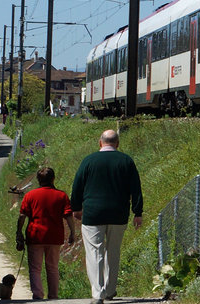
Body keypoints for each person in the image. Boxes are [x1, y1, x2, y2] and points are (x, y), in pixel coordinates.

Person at [71, 130, 143, 304]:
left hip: (93, 213)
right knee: (113, 251)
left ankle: (98, 293)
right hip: (119, 213)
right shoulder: (126, 161)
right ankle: (110, 290)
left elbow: (77, 186)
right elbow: (136, 188)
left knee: (95, 252)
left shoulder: (88, 161)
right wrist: (137, 212)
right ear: (117, 144)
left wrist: (76, 208)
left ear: (100, 142)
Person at [16, 166, 77, 300]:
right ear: (53, 179)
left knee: (35, 269)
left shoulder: (30, 195)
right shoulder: (61, 195)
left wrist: (19, 232)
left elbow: (22, 216)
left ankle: (38, 296)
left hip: (35, 236)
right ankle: (53, 296)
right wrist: (73, 232)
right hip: (54, 236)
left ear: (38, 180)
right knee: (53, 268)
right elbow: (68, 216)